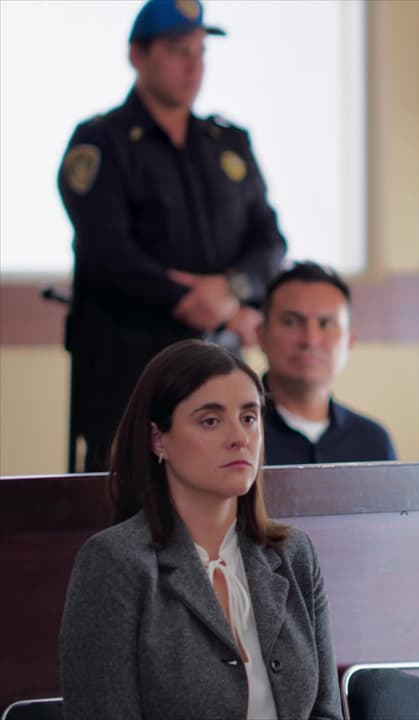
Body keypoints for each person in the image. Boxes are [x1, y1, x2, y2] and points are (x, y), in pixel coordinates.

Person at [58, 0, 286, 472]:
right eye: (179, 50)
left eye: (201, 51)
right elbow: (106, 250)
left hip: (220, 363)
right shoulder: (101, 142)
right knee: (129, 500)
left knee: (225, 489)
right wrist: (189, 298)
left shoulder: (227, 143)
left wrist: (230, 291)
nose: (194, 65)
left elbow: (270, 242)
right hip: (128, 368)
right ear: (137, 56)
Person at [58, 339, 341, 718]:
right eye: (211, 421)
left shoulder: (293, 553)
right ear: (158, 439)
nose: (239, 438)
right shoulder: (114, 562)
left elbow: (326, 712)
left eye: (249, 418)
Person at [257, 261, 397, 465]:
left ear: (350, 342)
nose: (310, 340)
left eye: (326, 324)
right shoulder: (234, 436)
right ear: (261, 335)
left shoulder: (373, 442)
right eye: (291, 322)